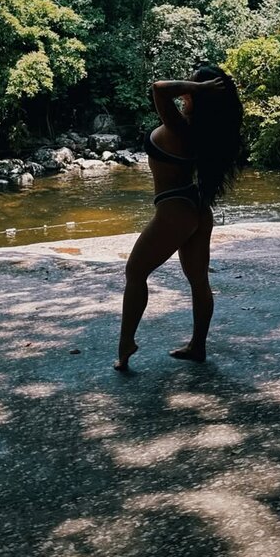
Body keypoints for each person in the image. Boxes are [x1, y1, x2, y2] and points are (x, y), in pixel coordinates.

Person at [114, 64, 244, 370]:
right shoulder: (205, 130)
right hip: (196, 207)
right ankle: (197, 346)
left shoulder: (180, 127)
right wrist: (200, 89)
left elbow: (159, 88)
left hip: (176, 209)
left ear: (200, 95)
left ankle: (126, 345)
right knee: (199, 281)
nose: (185, 91)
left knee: (135, 273)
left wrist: (198, 87)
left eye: (191, 88)